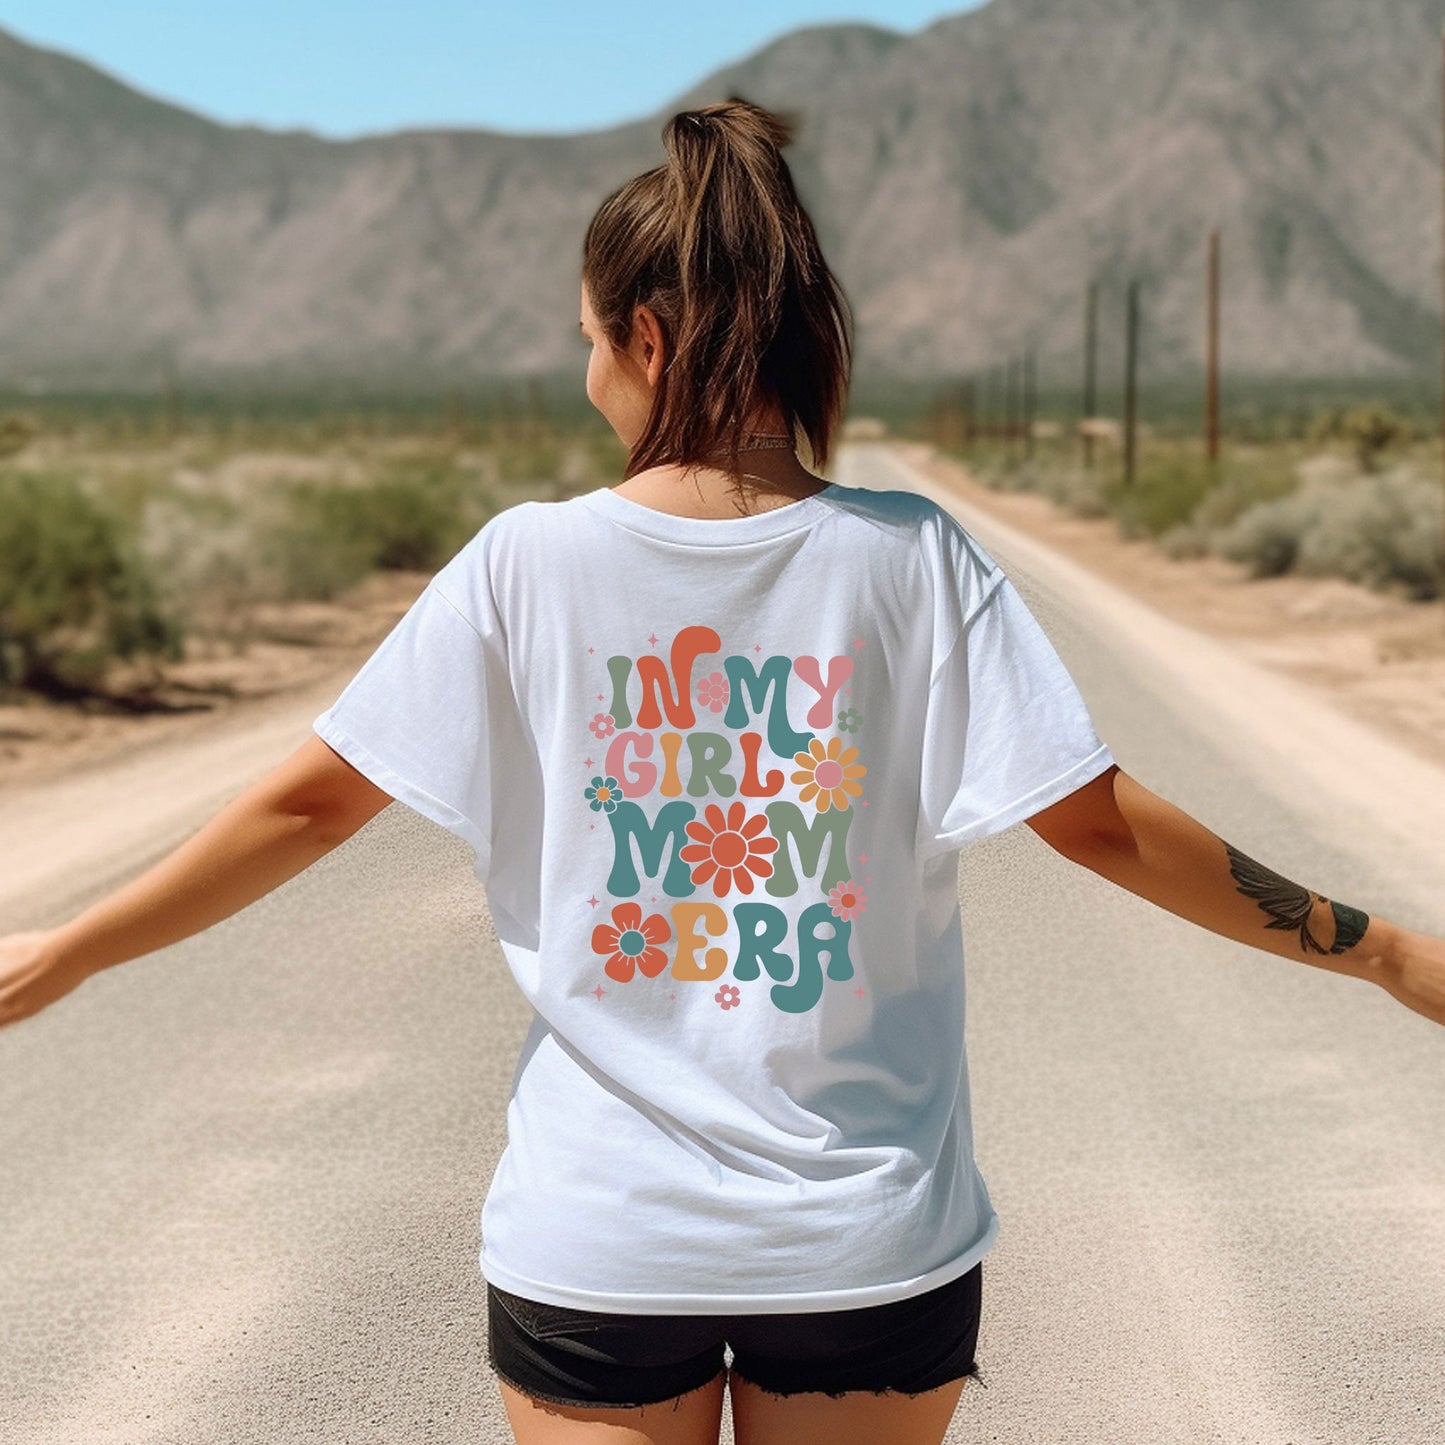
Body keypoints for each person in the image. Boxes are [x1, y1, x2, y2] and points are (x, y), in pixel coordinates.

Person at [1, 96, 1442, 1445]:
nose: (582, 377)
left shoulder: (523, 565)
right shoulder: (912, 559)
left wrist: (68, 953)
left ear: (642, 335)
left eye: (582, 339)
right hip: (864, 1244)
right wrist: (1378, 953)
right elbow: (1107, 832)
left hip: (603, 1240)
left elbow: (306, 805)